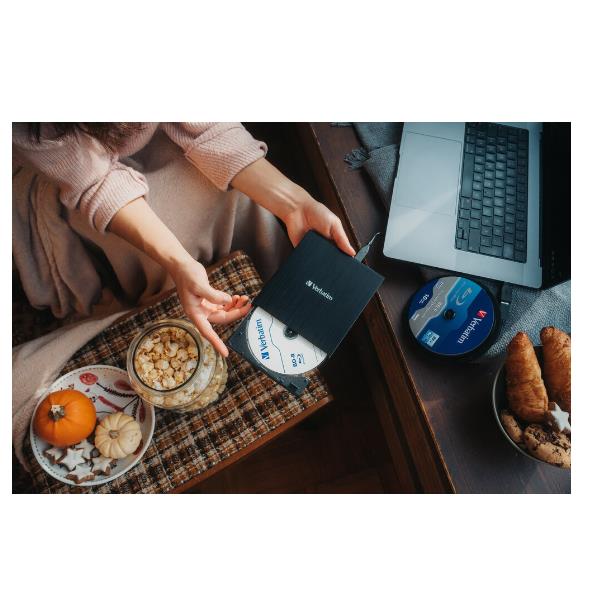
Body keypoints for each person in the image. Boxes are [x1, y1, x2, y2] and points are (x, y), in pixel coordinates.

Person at [12, 122, 355, 358]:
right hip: (61, 175)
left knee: (233, 196)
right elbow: (95, 182)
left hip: (153, 135)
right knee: (175, 227)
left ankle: (278, 316)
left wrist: (294, 204)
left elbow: (205, 126)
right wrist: (179, 264)